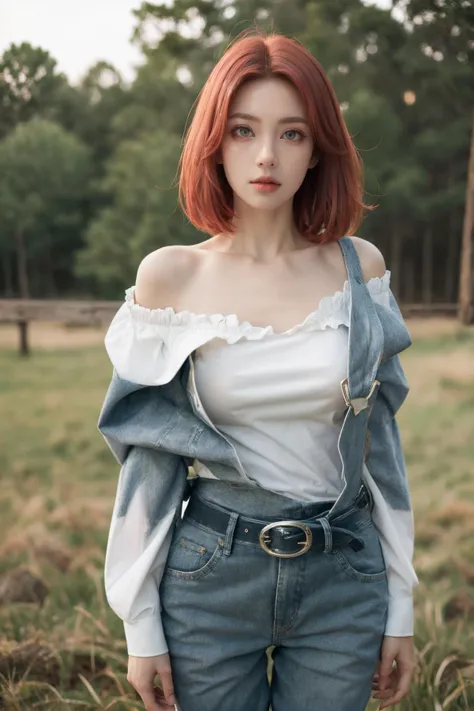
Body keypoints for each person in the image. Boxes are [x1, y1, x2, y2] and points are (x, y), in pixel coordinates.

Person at [98, 29, 419, 711]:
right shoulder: (169, 277)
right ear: (213, 141)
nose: (266, 155)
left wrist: (401, 608)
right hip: (212, 572)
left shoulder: (359, 271)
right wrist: (140, 622)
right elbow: (149, 464)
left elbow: (382, 452)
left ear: (318, 149)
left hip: (344, 572)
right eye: (243, 130)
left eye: (292, 134)